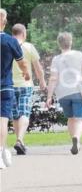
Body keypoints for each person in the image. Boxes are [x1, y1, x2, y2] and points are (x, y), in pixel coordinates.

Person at [46, 31, 82, 154]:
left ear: (59, 44)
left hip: (63, 94)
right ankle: (76, 138)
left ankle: (74, 140)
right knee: (81, 118)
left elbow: (53, 78)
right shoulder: (79, 55)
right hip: (78, 91)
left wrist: (49, 97)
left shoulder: (56, 59)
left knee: (71, 118)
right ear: (71, 42)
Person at [9, 23, 45, 156]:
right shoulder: (29, 47)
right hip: (26, 85)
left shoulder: (6, 45)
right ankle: (20, 140)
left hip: (10, 86)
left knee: (16, 115)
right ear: (24, 34)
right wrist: (42, 81)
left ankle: (20, 141)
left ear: (12, 34)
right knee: (24, 113)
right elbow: (38, 68)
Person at [1, 8, 30, 169]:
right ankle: (0, 152)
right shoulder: (10, 41)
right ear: (4, 23)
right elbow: (22, 62)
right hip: (4, 86)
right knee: (3, 120)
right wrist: (26, 73)